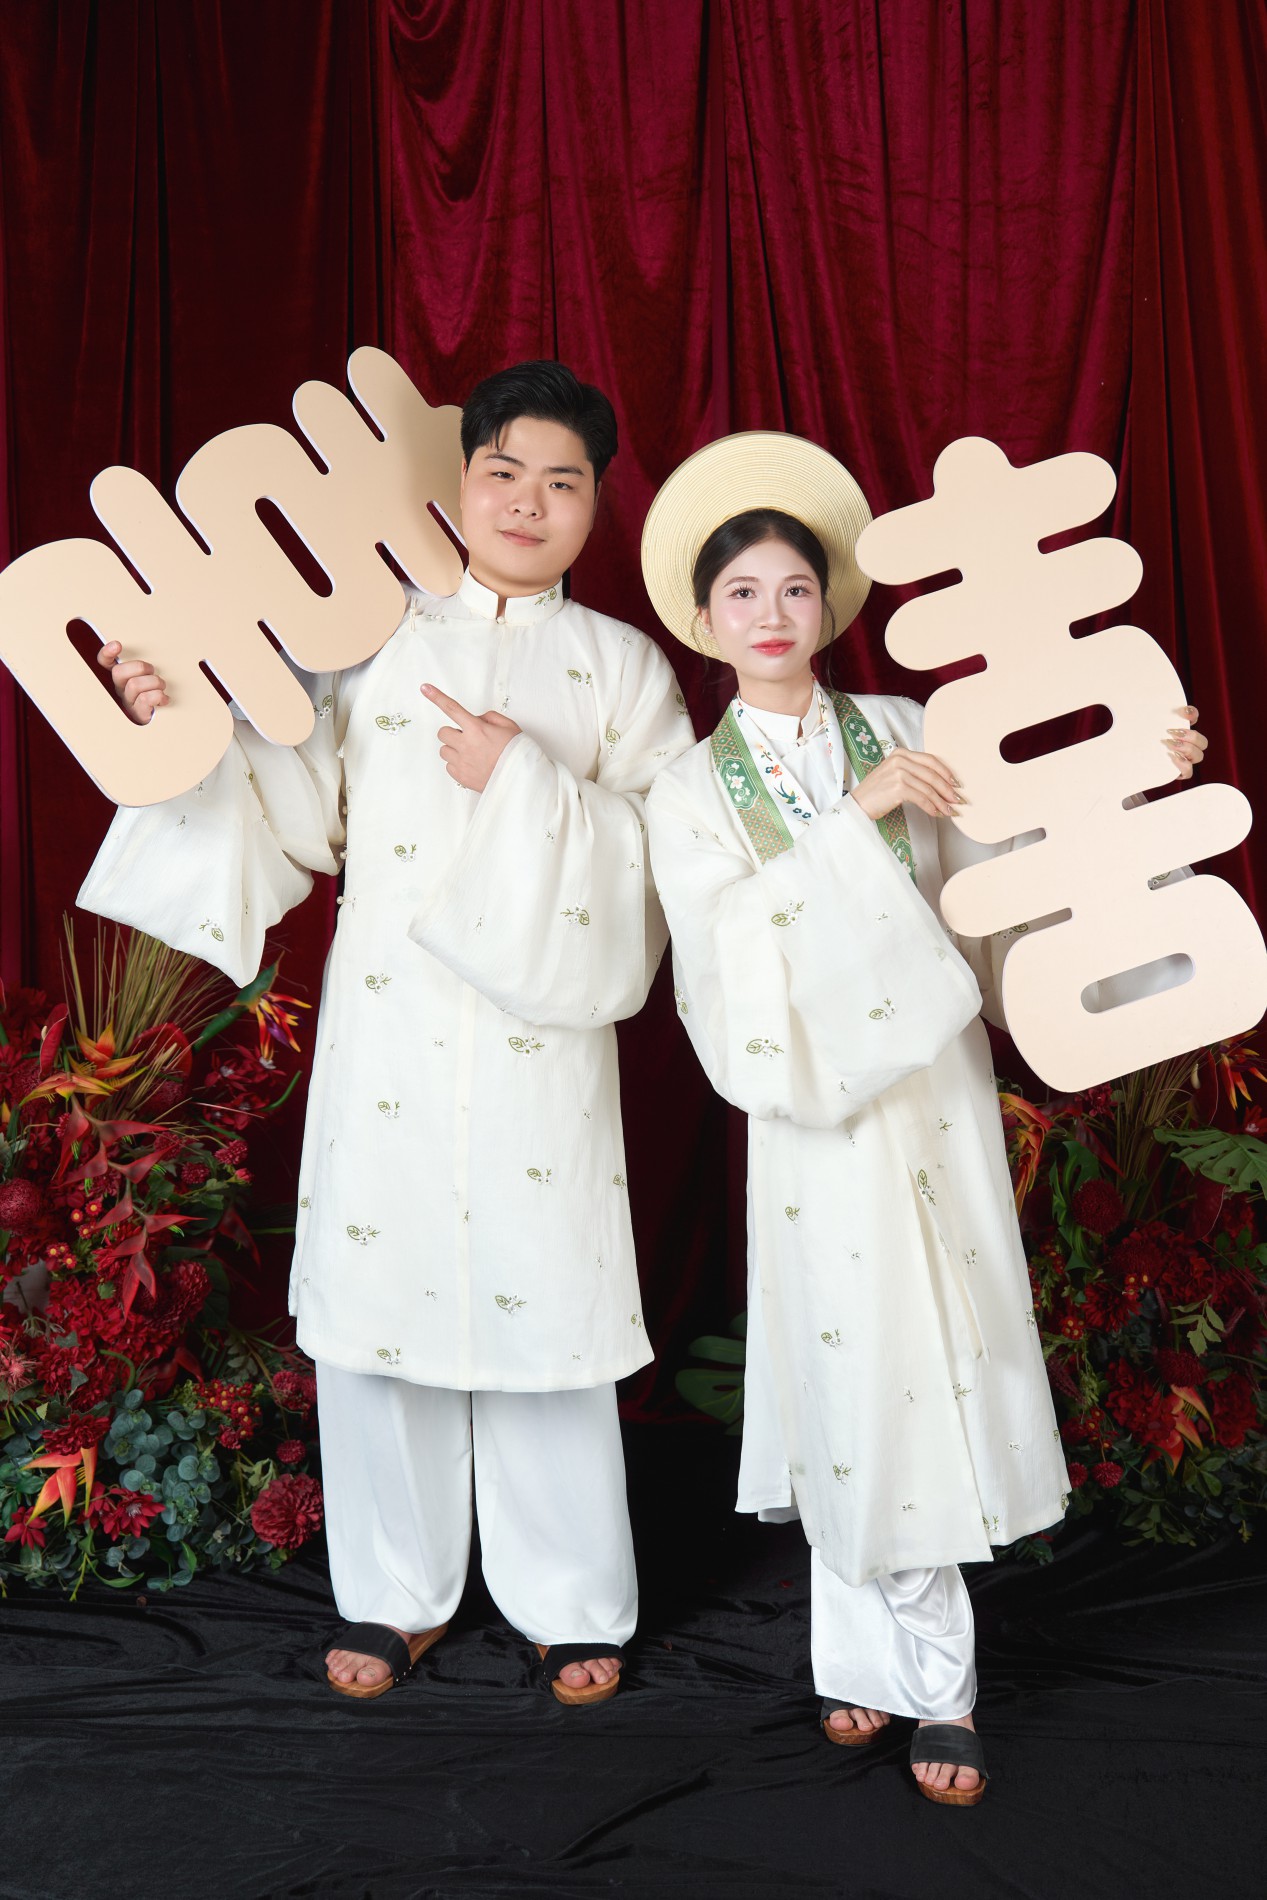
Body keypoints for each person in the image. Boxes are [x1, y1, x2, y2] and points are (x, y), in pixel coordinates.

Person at [80, 361, 694, 1705]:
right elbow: (287, 798)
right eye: (503, 472)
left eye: (562, 481)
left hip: (542, 1045)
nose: (526, 502)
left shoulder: (625, 669)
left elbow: (667, 861)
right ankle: (394, 1594)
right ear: (460, 478)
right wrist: (172, 719)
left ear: (600, 503)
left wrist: (523, 776)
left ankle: (570, 1600)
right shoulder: (371, 640)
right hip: (394, 1025)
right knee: (385, 1302)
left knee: (545, 1307)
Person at [640, 431, 1206, 1803]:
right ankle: (888, 1670)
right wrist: (850, 825)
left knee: (929, 1357)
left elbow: (1012, 869)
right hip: (814, 1116)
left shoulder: (905, 729)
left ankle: (925, 1679)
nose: (772, 614)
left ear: (830, 603)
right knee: (846, 1360)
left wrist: (1134, 772)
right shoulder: (687, 790)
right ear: (705, 619)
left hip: (935, 1093)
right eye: (742, 594)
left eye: (795, 588)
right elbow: (721, 959)